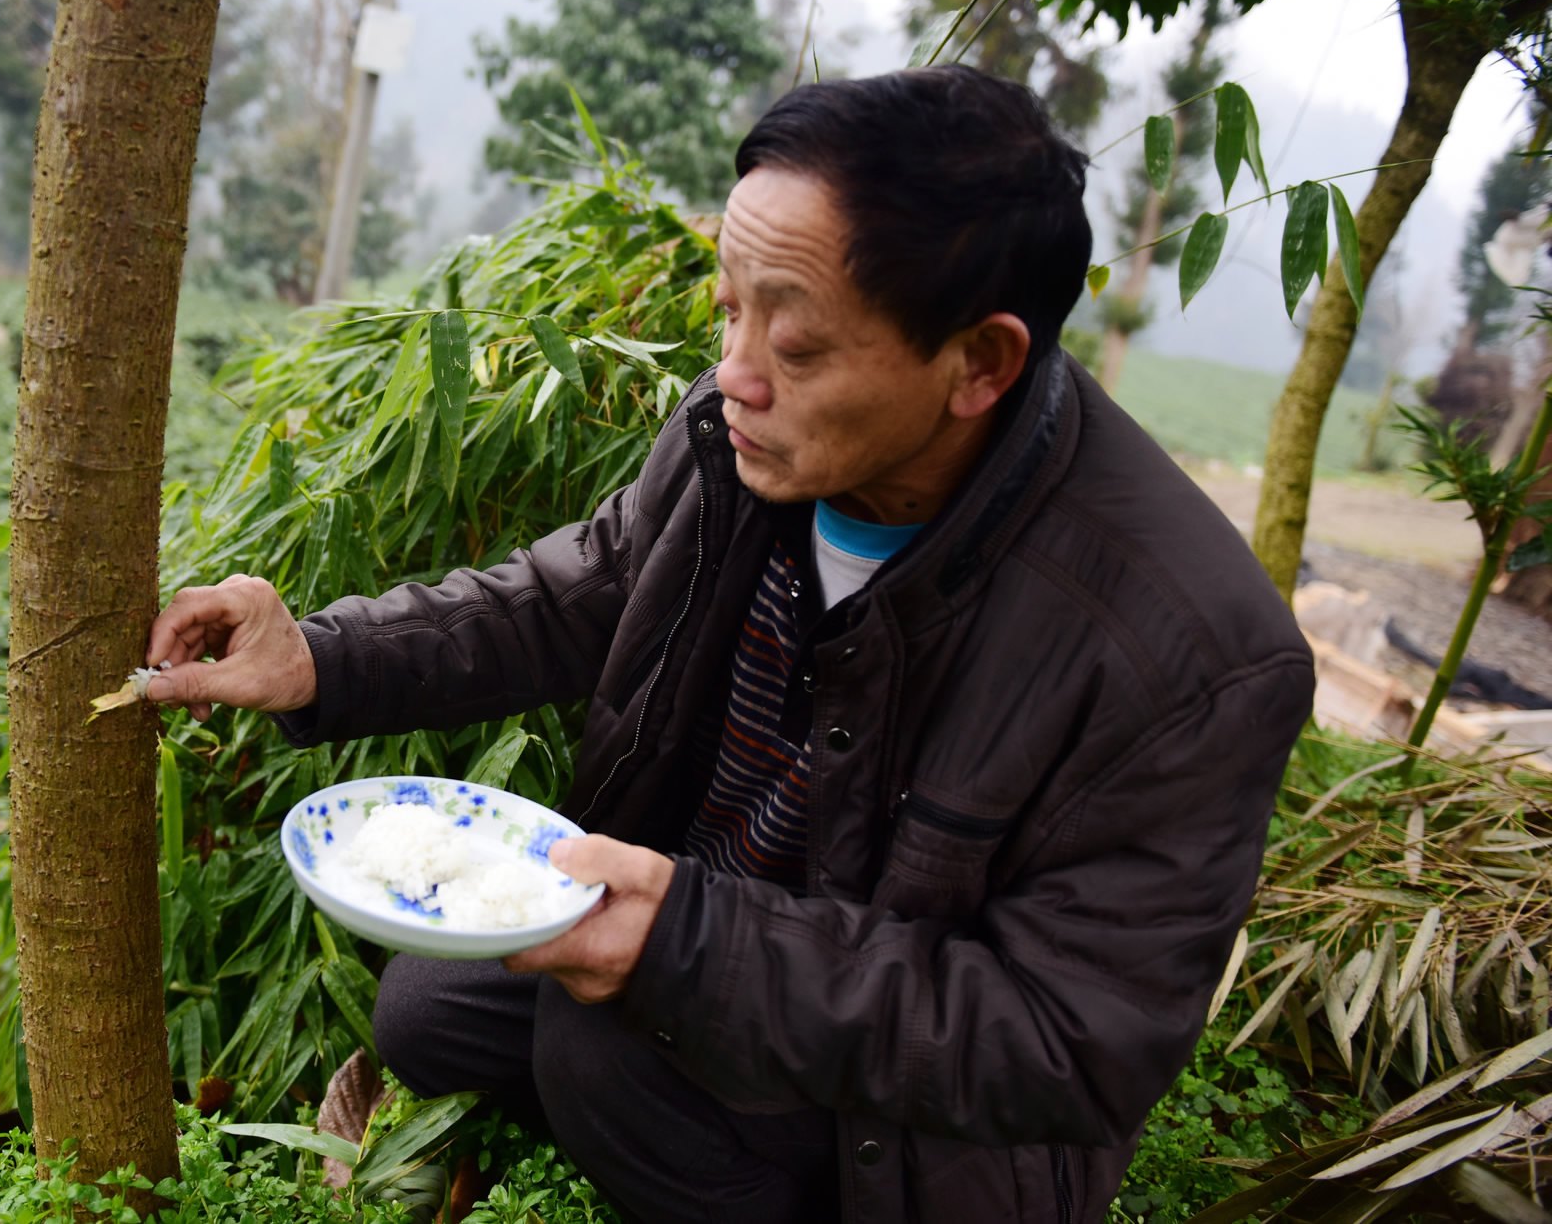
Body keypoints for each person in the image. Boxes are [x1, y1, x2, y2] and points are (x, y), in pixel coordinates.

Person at [144, 66, 1315, 1224]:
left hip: (921, 1129)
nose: (732, 375)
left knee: (596, 1057)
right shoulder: (741, 439)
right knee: (428, 1007)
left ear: (980, 362)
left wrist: (693, 945)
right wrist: (322, 656)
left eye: (796, 347)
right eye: (727, 310)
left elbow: (1062, 1039)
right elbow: (581, 588)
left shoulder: (1190, 652)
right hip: (718, 938)